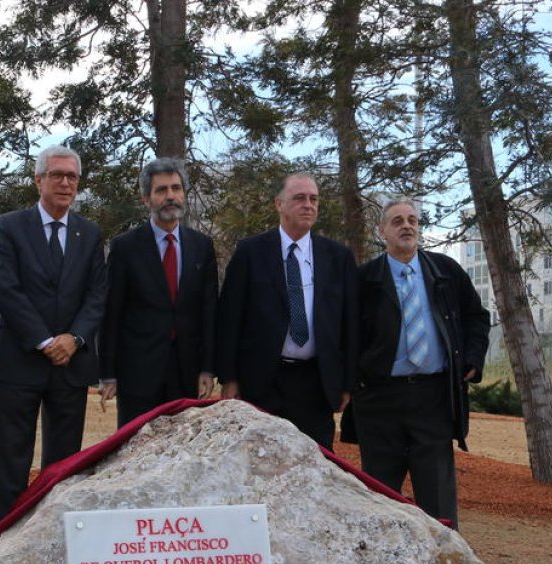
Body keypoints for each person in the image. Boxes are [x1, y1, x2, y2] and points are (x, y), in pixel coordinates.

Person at [343, 199, 489, 529]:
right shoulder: (364, 280)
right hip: (379, 402)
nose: (406, 226)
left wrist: (472, 360)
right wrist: (352, 383)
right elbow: (345, 336)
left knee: (438, 502)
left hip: (434, 399)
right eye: (397, 221)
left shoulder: (446, 272)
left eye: (412, 220)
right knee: (379, 499)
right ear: (382, 232)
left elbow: (477, 318)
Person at [0, 145, 107, 527]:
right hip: (20, 360)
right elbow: (6, 288)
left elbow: (96, 295)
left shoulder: (89, 234)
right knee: (10, 459)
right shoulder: (10, 225)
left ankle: (51, 537)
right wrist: (44, 340)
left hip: (71, 365)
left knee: (63, 463)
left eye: (72, 177)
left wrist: (74, 339)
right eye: (57, 175)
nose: (65, 183)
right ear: (38, 180)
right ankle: (0, 541)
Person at [215, 172, 358, 449]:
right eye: (300, 198)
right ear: (279, 204)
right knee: (260, 466)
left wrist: (346, 383)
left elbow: (349, 323)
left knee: (314, 467)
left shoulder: (337, 257)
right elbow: (230, 318)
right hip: (261, 381)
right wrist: (230, 378)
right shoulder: (250, 252)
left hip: (316, 383)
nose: (308, 205)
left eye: (314, 199)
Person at [99, 158, 217, 426]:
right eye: (161, 190)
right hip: (137, 373)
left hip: (187, 373)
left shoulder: (201, 246)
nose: (170, 196)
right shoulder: (125, 247)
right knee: (135, 450)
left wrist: (208, 368)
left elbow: (209, 311)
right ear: (146, 199)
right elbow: (111, 312)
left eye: (176, 188)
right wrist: (108, 374)